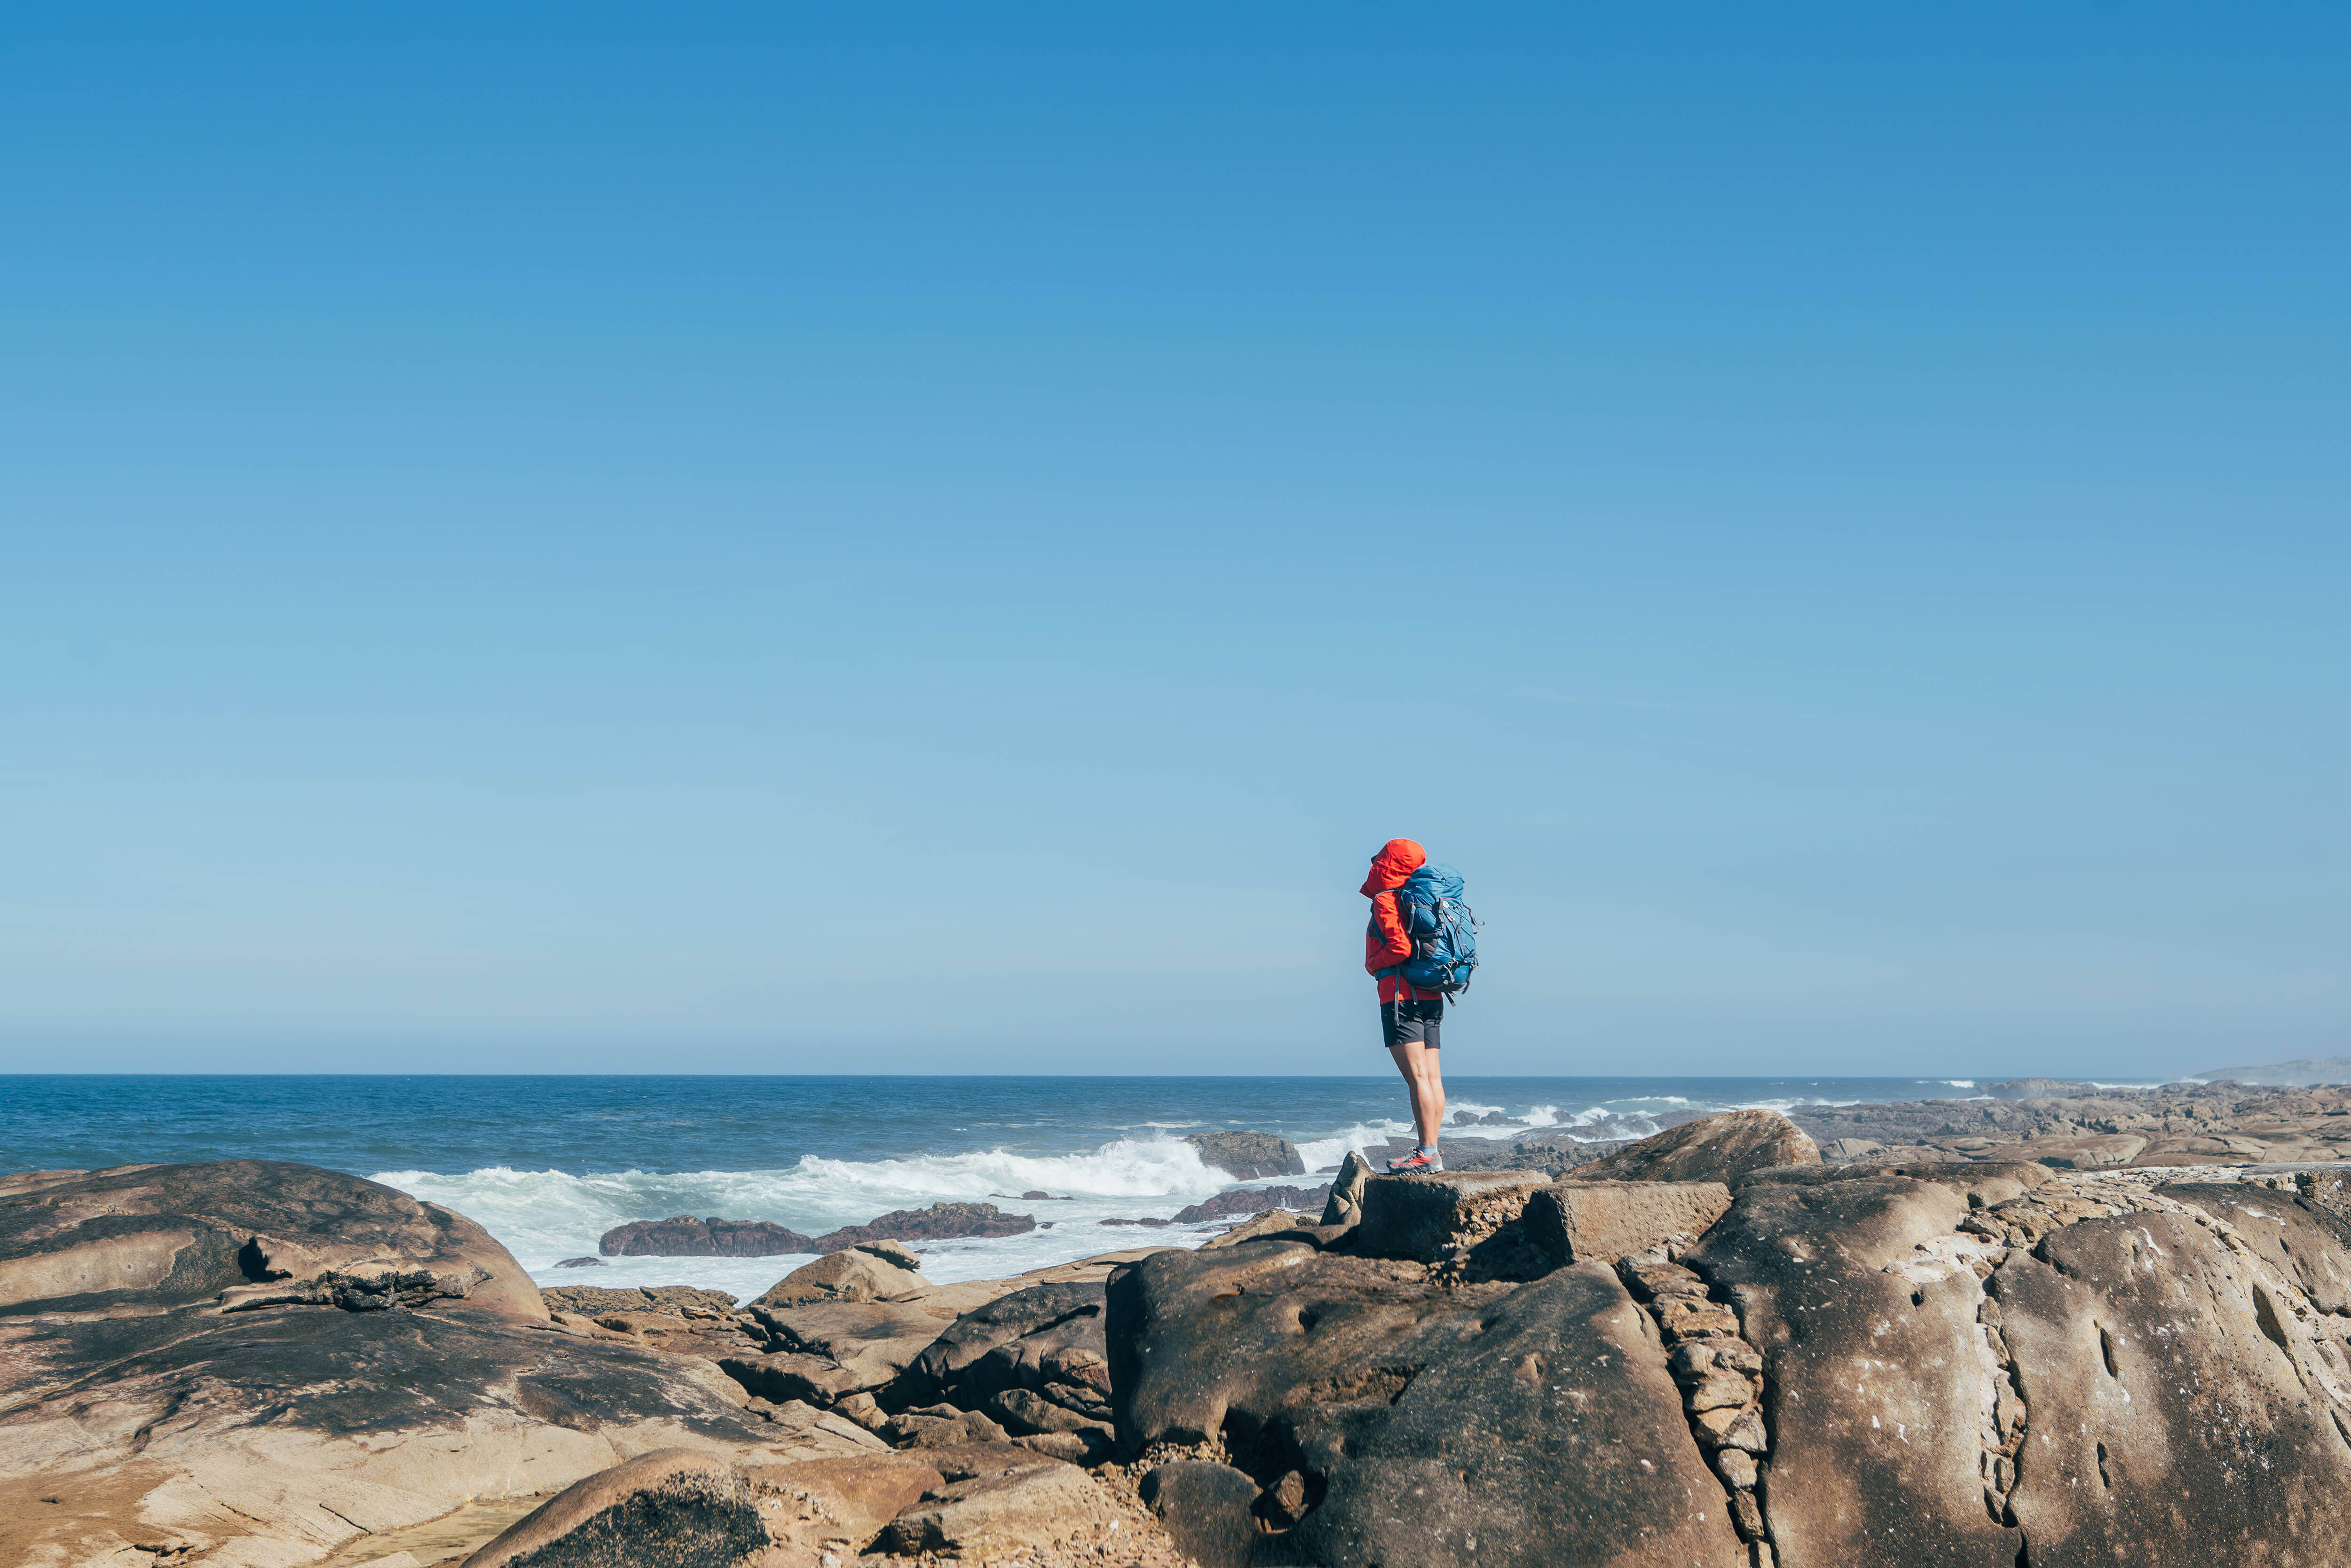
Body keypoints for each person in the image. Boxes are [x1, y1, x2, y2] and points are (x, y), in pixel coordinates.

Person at [1362, 837, 1446, 1173]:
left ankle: (1427, 1153)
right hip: (1431, 994)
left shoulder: (1387, 898)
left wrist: (1373, 964)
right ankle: (1432, 1150)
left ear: (1387, 863)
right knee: (1433, 1078)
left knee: (1417, 1079)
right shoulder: (1424, 898)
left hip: (1400, 997)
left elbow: (1398, 948)